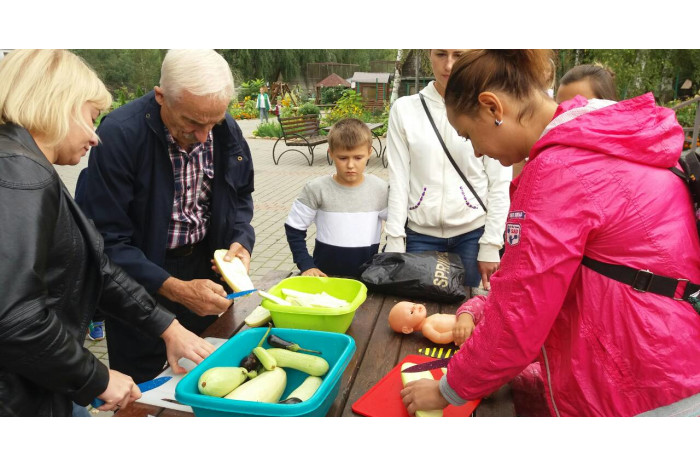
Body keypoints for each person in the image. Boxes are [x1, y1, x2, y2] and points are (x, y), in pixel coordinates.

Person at [401, 49, 700, 417]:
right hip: (670, 359)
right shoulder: (599, 138)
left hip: (638, 388)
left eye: (467, 135)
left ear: (493, 108)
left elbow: (518, 318)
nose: (477, 151)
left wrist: (447, 391)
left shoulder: (558, 169)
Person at [0, 49, 215, 416]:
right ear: (58, 105)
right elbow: (16, 316)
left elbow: (97, 267)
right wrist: (95, 378)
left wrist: (168, 328)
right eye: (90, 117)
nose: (95, 137)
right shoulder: (22, 175)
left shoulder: (23, 163)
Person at [76, 49, 255, 384]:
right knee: (145, 386)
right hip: (139, 279)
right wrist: (173, 288)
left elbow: (240, 194)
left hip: (205, 271)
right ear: (161, 97)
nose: (204, 136)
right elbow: (106, 239)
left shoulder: (224, 127)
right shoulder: (120, 134)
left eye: (212, 123)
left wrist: (240, 240)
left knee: (209, 374)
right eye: (192, 122)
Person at [384, 49, 511, 291]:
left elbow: (499, 181)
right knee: (417, 311)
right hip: (419, 235)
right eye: (441, 54)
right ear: (428, 54)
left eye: (459, 55)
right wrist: (394, 240)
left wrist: (491, 244)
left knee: (470, 312)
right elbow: (398, 179)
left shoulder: (487, 106)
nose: (449, 65)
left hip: (473, 234)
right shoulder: (405, 109)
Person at [284, 118, 388, 278]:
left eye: (358, 157)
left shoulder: (380, 188)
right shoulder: (316, 188)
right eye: (343, 158)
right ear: (331, 153)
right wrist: (305, 264)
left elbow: (399, 226)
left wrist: (386, 259)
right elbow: (294, 228)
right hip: (325, 277)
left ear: (369, 152)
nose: (351, 165)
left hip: (367, 278)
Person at [388, 301, 456, 345]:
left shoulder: (429, 319)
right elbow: (440, 338)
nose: (416, 307)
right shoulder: (426, 328)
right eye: (412, 312)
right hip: (462, 332)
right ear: (407, 329)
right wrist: (456, 333)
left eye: (414, 304)